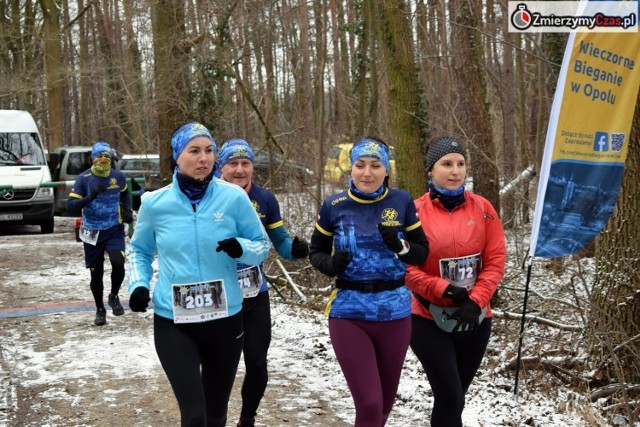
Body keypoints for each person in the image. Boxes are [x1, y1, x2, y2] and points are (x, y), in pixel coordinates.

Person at [127, 122, 271, 427]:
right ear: (177, 157)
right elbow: (139, 250)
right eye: (194, 151)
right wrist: (138, 284)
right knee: (194, 416)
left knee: (216, 415)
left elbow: (261, 245)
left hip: (226, 318)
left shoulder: (233, 197)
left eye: (209, 151)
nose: (203, 158)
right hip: (174, 321)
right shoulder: (155, 203)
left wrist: (240, 248)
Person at [309, 136, 429, 426]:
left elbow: (422, 252)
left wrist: (401, 247)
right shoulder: (334, 205)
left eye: (375, 165)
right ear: (351, 169)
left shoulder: (400, 200)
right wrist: (331, 264)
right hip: (349, 311)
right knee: (370, 403)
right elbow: (316, 252)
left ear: (386, 170)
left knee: (384, 406)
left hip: (395, 312)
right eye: (360, 165)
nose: (367, 172)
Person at [405, 136, 506, 427]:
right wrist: (442, 288)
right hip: (425, 317)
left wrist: (476, 301)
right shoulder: (413, 212)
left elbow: (496, 258)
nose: (455, 171)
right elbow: (404, 267)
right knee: (449, 395)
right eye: (446, 164)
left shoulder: (483, 208)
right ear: (430, 170)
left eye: (460, 164)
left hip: (474, 316)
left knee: (454, 398)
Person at [217, 138, 309, 427]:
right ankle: (213, 417)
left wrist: (295, 250)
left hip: (255, 293)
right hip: (219, 296)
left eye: (246, 164)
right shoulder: (209, 196)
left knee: (257, 361)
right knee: (220, 367)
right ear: (221, 166)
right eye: (233, 163)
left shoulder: (265, 199)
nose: (240, 170)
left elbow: (279, 241)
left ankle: (247, 419)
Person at [67, 141, 133, 326]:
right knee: (96, 275)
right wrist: (91, 197)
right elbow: (70, 207)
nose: (103, 160)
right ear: (93, 159)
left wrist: (127, 208)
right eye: (99, 156)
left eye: (107, 157)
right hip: (92, 232)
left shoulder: (118, 176)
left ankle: (113, 296)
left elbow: (125, 193)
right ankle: (100, 309)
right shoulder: (84, 179)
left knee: (118, 263)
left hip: (114, 229)